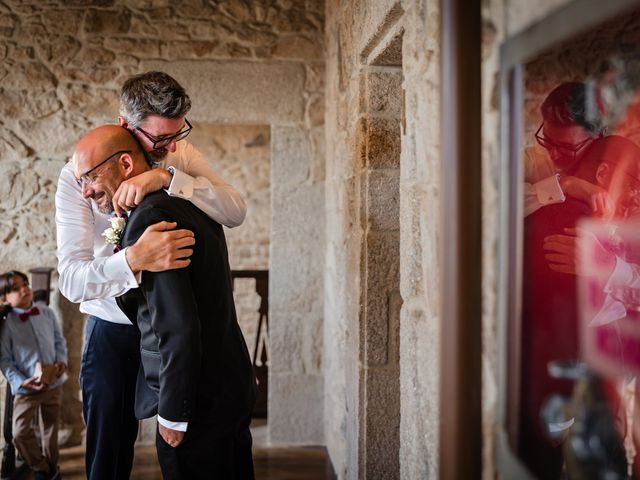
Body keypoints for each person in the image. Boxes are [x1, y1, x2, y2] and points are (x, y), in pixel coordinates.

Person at [55, 71, 247, 480]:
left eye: (177, 135)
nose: (169, 147)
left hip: (165, 330)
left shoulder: (178, 157)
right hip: (112, 327)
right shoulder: (80, 176)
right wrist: (134, 259)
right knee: (108, 451)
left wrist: (167, 177)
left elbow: (234, 210)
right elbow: (71, 279)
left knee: (180, 441)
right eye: (159, 140)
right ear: (127, 127)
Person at [521, 135, 640, 479]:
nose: (639, 194)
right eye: (636, 183)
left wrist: (607, 267)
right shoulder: (566, 217)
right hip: (566, 365)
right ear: (605, 174)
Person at [0, 271, 68, 480]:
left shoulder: (46, 312)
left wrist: (61, 362)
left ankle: (52, 467)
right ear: (4, 298)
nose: (25, 289)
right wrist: (21, 382)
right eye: (16, 288)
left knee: (50, 430)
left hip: (53, 384)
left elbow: (59, 340)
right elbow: (5, 360)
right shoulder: (7, 325)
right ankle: (41, 467)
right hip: (27, 389)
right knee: (20, 432)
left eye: (26, 284)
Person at [525, 81, 608, 217]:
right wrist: (563, 185)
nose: (552, 154)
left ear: (598, 137)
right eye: (547, 140)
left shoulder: (617, 168)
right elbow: (494, 199)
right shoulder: (533, 158)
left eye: (566, 146)